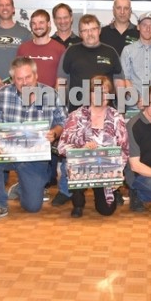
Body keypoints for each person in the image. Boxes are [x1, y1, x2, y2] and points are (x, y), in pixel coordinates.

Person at [0, 57, 67, 221]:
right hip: (7, 152)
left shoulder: (51, 94)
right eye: (19, 79)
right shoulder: (2, 94)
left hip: (35, 157)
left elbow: (62, 121)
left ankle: (22, 187)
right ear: (13, 79)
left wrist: (55, 133)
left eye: (28, 77)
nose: (24, 82)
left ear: (36, 75)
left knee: (32, 207)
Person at [57, 75, 129, 218]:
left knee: (107, 211)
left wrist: (117, 174)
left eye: (104, 92)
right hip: (80, 169)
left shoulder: (117, 117)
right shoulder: (76, 116)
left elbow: (124, 150)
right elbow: (61, 146)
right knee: (75, 165)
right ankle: (78, 201)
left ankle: (100, 189)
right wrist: (81, 148)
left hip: (105, 171)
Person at [120, 12, 151, 99]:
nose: (148, 29)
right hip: (133, 104)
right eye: (144, 25)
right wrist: (137, 100)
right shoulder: (127, 51)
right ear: (138, 27)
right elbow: (125, 79)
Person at [17, 9, 66, 88]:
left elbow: (62, 79)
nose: (37, 27)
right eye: (34, 23)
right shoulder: (23, 48)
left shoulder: (60, 49)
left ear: (48, 24)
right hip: (27, 94)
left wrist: (56, 94)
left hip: (50, 94)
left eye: (41, 23)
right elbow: (17, 75)